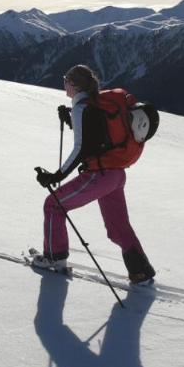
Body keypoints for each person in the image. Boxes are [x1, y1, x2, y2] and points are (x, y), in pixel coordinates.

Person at [33, 64, 156, 284]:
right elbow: (97, 136)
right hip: (116, 174)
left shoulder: (83, 107)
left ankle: (54, 258)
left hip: (98, 175)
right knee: (117, 228)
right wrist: (71, 120)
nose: (64, 85)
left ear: (74, 84)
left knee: (53, 205)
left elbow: (81, 148)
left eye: (66, 81)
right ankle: (141, 271)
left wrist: (55, 176)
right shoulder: (95, 103)